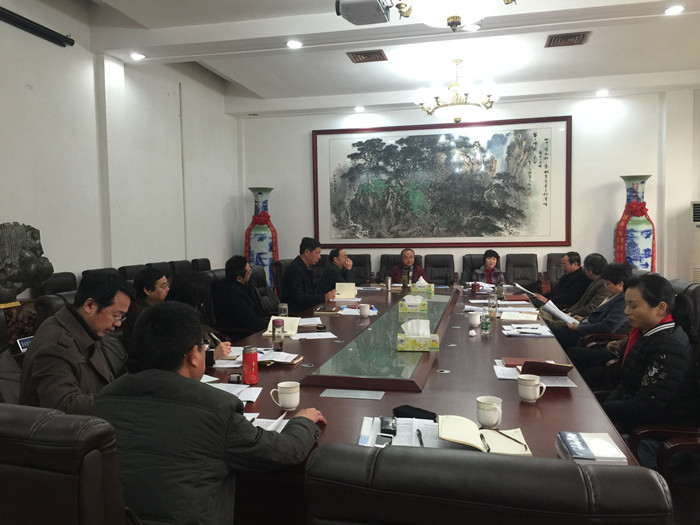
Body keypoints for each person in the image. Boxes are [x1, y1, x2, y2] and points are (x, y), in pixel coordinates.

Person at [92, 301, 326, 524]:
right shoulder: (216, 409)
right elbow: (284, 452)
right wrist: (303, 421)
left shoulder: (104, 399)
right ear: (194, 355)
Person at [599, 274, 699, 466]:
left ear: (660, 308)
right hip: (639, 427)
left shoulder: (669, 347)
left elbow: (646, 406)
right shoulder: (646, 334)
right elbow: (626, 383)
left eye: (633, 306)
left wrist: (602, 410)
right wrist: (603, 410)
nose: (626, 311)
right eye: (626, 304)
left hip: (661, 440)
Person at [19, 272, 133, 414]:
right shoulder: (56, 345)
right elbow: (64, 407)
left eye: (121, 317)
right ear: (90, 305)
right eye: (115, 315)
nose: (118, 323)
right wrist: (122, 401)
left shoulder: (86, 329)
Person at [551, 262, 633, 351]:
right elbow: (599, 316)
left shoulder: (622, 300)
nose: (606, 287)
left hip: (591, 336)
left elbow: (608, 326)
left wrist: (579, 327)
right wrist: (582, 318)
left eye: (608, 284)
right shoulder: (613, 296)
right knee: (554, 330)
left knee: (554, 332)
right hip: (585, 328)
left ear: (620, 284)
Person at [166, 271, 231, 364]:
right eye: (201, 299)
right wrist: (212, 356)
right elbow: (180, 358)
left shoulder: (188, 314)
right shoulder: (171, 320)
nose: (202, 304)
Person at [540, 253, 612, 328]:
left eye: (585, 268)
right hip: (573, 314)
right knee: (543, 310)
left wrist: (571, 313)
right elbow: (581, 302)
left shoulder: (604, 285)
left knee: (549, 324)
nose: (584, 271)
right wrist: (567, 311)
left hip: (581, 320)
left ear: (590, 270)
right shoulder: (594, 281)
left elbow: (591, 308)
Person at [213, 255, 269, 333]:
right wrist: (271, 324)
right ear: (239, 278)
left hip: (251, 328)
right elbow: (251, 322)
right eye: (249, 272)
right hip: (242, 334)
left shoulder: (236, 285)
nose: (251, 274)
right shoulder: (233, 294)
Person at [122, 268, 169, 356]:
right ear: (147, 290)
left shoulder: (152, 307)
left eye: (167, 285)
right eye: (163, 286)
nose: (168, 289)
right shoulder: (140, 315)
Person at [282, 237, 335, 313]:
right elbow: (299, 298)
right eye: (317, 253)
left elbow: (311, 294)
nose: (319, 257)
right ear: (307, 252)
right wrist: (324, 297)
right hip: (299, 313)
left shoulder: (305, 267)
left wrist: (326, 295)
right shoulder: (294, 269)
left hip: (308, 310)